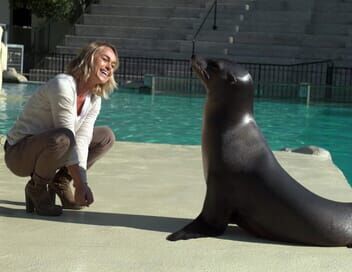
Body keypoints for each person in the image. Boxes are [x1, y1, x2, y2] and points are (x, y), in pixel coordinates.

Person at [3, 41, 119, 216]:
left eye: (113, 65)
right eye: (105, 60)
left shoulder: (94, 99)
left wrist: (82, 183)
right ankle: (37, 188)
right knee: (64, 137)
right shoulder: (63, 85)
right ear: (89, 58)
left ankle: (61, 182)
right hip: (18, 154)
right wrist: (81, 186)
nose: (109, 68)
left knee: (106, 136)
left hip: (56, 145)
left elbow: (82, 139)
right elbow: (68, 135)